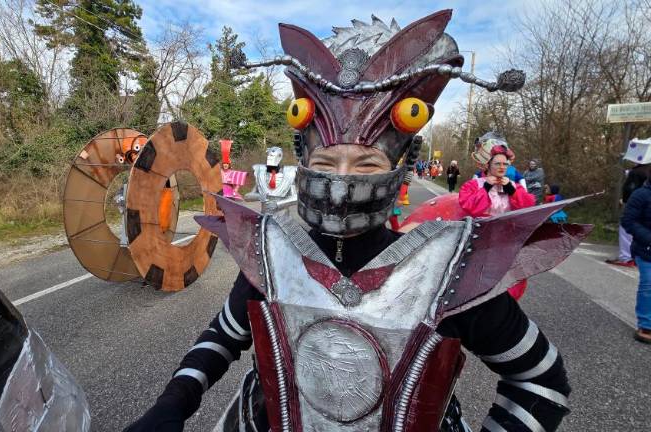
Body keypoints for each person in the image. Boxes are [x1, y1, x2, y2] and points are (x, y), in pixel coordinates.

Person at [124, 12, 573, 432]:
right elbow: (224, 336)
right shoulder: (271, 252)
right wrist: (172, 405)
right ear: (304, 159)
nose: (341, 183)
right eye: (326, 162)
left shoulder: (452, 270)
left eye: (365, 164)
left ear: (400, 164)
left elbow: (540, 380)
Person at [459, 145, 536, 300]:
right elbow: (470, 206)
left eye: (505, 164)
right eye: (497, 164)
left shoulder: (514, 185)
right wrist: (486, 187)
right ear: (488, 165)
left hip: (506, 242)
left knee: (506, 282)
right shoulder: (475, 184)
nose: (502, 167)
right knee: (477, 280)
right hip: (480, 240)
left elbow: (528, 207)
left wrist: (512, 191)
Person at [620, 179, 651, 343]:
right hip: (645, 250)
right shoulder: (641, 194)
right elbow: (628, 221)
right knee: (649, 284)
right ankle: (646, 324)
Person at [607, 163, 651, 266]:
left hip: (637, 205)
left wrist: (625, 199)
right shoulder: (642, 170)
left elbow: (629, 190)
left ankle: (627, 257)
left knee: (626, 228)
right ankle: (631, 256)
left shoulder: (637, 172)